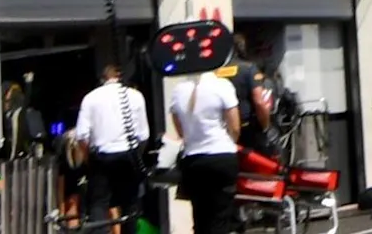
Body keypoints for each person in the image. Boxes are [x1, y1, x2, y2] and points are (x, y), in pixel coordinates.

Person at [70, 57, 154, 229]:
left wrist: (88, 159)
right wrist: (138, 155)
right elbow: (144, 135)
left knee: (99, 203)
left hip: (102, 157)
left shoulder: (91, 98)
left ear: (103, 78)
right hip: (129, 155)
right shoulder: (136, 96)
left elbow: (81, 136)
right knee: (130, 203)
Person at [169, 45, 245, 234]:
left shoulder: (178, 90)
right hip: (221, 157)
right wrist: (229, 140)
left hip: (193, 160)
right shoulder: (222, 86)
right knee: (220, 216)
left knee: (200, 218)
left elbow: (180, 132)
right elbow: (235, 126)